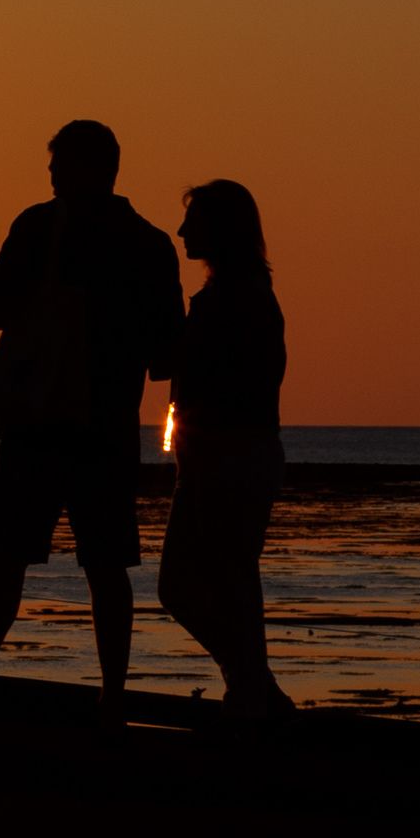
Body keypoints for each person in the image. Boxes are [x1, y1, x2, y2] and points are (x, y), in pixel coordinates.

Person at [0, 119, 185, 712]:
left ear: (83, 169)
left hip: (36, 421)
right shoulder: (150, 244)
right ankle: (112, 701)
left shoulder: (36, 227)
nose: (50, 176)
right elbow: (166, 352)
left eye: (57, 165)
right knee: (107, 570)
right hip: (107, 425)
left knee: (4, 565)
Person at [157, 179, 290, 715]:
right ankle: (254, 692)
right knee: (234, 583)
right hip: (236, 456)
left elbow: (209, 376)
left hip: (224, 460)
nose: (184, 230)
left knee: (182, 586)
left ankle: (252, 683)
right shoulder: (246, 293)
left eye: (194, 221)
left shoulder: (234, 299)